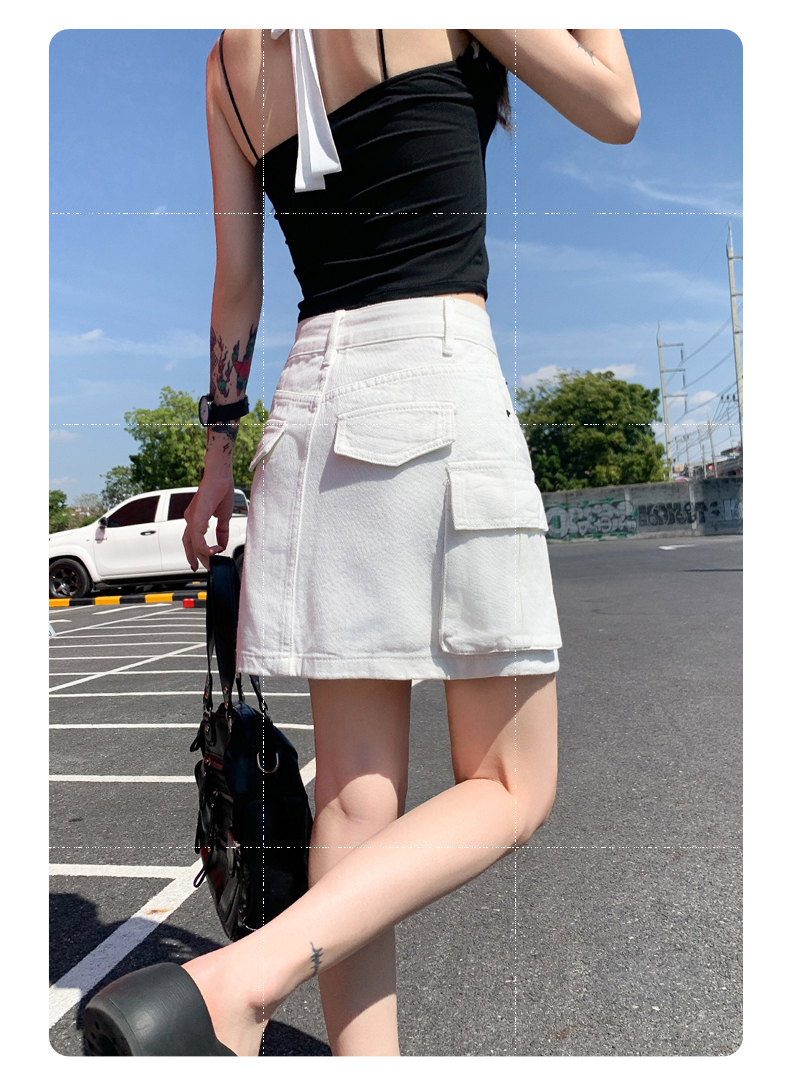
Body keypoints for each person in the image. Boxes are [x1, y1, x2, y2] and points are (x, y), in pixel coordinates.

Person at [83, 29, 639, 1057]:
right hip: (432, 374)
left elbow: (237, 283)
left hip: (305, 407)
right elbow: (615, 106)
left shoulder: (226, 61)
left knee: (353, 796)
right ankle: (240, 980)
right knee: (512, 784)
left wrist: (217, 457)